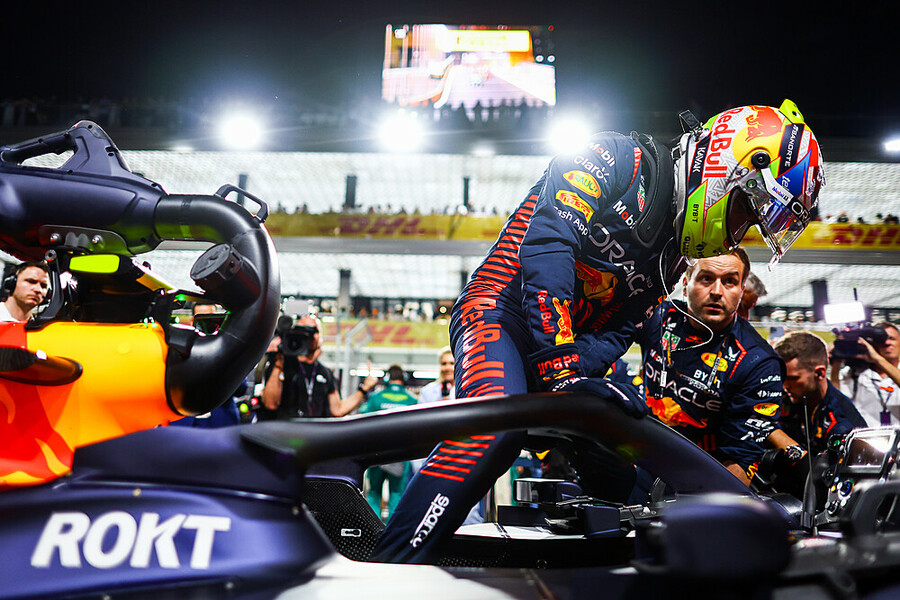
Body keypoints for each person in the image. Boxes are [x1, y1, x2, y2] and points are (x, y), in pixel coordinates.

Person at [370, 101, 825, 563]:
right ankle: (391, 569)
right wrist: (562, 372)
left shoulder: (673, 256)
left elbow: (620, 327)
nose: (739, 232)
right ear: (731, 168)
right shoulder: (617, 158)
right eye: (748, 211)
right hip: (497, 311)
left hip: (561, 352)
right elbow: (548, 246)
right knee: (494, 433)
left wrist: (575, 380)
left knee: (619, 468)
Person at [638, 249, 786, 485]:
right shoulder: (658, 316)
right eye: (706, 278)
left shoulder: (759, 363)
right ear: (685, 285)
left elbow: (742, 459)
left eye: (730, 282)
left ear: (741, 291)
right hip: (639, 453)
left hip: (700, 478)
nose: (717, 291)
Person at [258, 314, 378, 419]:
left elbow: (338, 409)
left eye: (313, 331)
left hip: (314, 434)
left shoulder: (325, 373)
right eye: (302, 330)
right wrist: (279, 363)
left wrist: (364, 389)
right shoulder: (281, 365)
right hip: (284, 433)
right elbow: (270, 404)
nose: (309, 335)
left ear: (319, 336)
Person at [773, 331, 865, 456]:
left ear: (820, 373)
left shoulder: (844, 426)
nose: (784, 386)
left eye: (793, 378)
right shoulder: (783, 395)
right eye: (781, 377)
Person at [359, 364, 419, 521]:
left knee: (374, 493)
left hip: (377, 454)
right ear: (403, 379)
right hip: (400, 455)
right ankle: (392, 531)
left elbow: (365, 422)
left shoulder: (375, 398)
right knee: (396, 494)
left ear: (387, 378)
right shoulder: (412, 400)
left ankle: (373, 530)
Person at [832, 322, 900, 427]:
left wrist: (877, 359)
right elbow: (837, 401)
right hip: (866, 436)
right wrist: (836, 364)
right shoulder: (854, 374)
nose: (887, 343)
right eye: (881, 340)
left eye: (891, 338)